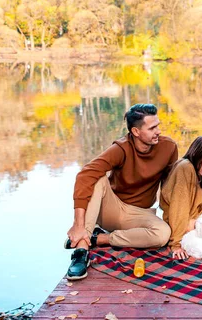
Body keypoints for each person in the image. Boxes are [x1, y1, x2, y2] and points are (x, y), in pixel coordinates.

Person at [64, 104, 178, 280]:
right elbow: (84, 175)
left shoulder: (168, 148)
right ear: (136, 131)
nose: (158, 131)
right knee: (97, 178)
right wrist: (78, 224)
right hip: (112, 209)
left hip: (140, 214)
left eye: (158, 125)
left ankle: (98, 239)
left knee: (163, 234)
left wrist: (176, 227)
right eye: (152, 128)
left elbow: (169, 188)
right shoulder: (121, 148)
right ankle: (81, 249)